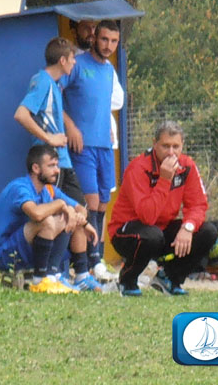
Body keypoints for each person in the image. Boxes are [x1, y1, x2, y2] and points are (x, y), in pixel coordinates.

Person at [13, 37, 102, 292]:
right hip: (53, 163)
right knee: (64, 214)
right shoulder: (42, 81)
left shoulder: (55, 84)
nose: (74, 63)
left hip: (64, 161)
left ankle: (81, 273)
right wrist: (49, 138)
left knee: (78, 211)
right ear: (62, 61)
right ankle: (49, 274)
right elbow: (21, 114)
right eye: (72, 59)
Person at [108, 121, 218, 296]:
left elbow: (198, 204)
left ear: (182, 145)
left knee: (208, 231)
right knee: (152, 235)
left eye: (176, 146)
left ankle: (169, 277)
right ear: (155, 144)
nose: (171, 152)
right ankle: (127, 280)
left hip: (161, 230)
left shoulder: (187, 166)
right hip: (127, 232)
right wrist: (165, 179)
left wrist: (188, 227)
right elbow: (147, 216)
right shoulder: (138, 167)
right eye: (166, 146)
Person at [0, 144, 98, 294]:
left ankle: (81, 277)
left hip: (28, 250)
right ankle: (41, 280)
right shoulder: (20, 187)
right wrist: (61, 205)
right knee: (48, 221)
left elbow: (80, 208)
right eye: (51, 166)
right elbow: (36, 214)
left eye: (57, 165)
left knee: (70, 215)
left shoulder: (47, 190)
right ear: (36, 168)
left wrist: (83, 222)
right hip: (4, 255)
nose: (57, 170)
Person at [61, 20, 124, 272]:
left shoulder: (109, 70)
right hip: (83, 147)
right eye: (105, 39)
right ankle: (90, 262)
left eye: (114, 41)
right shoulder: (77, 64)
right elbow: (54, 95)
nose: (108, 46)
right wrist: (70, 127)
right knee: (90, 202)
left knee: (103, 203)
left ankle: (95, 260)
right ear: (95, 37)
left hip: (105, 146)